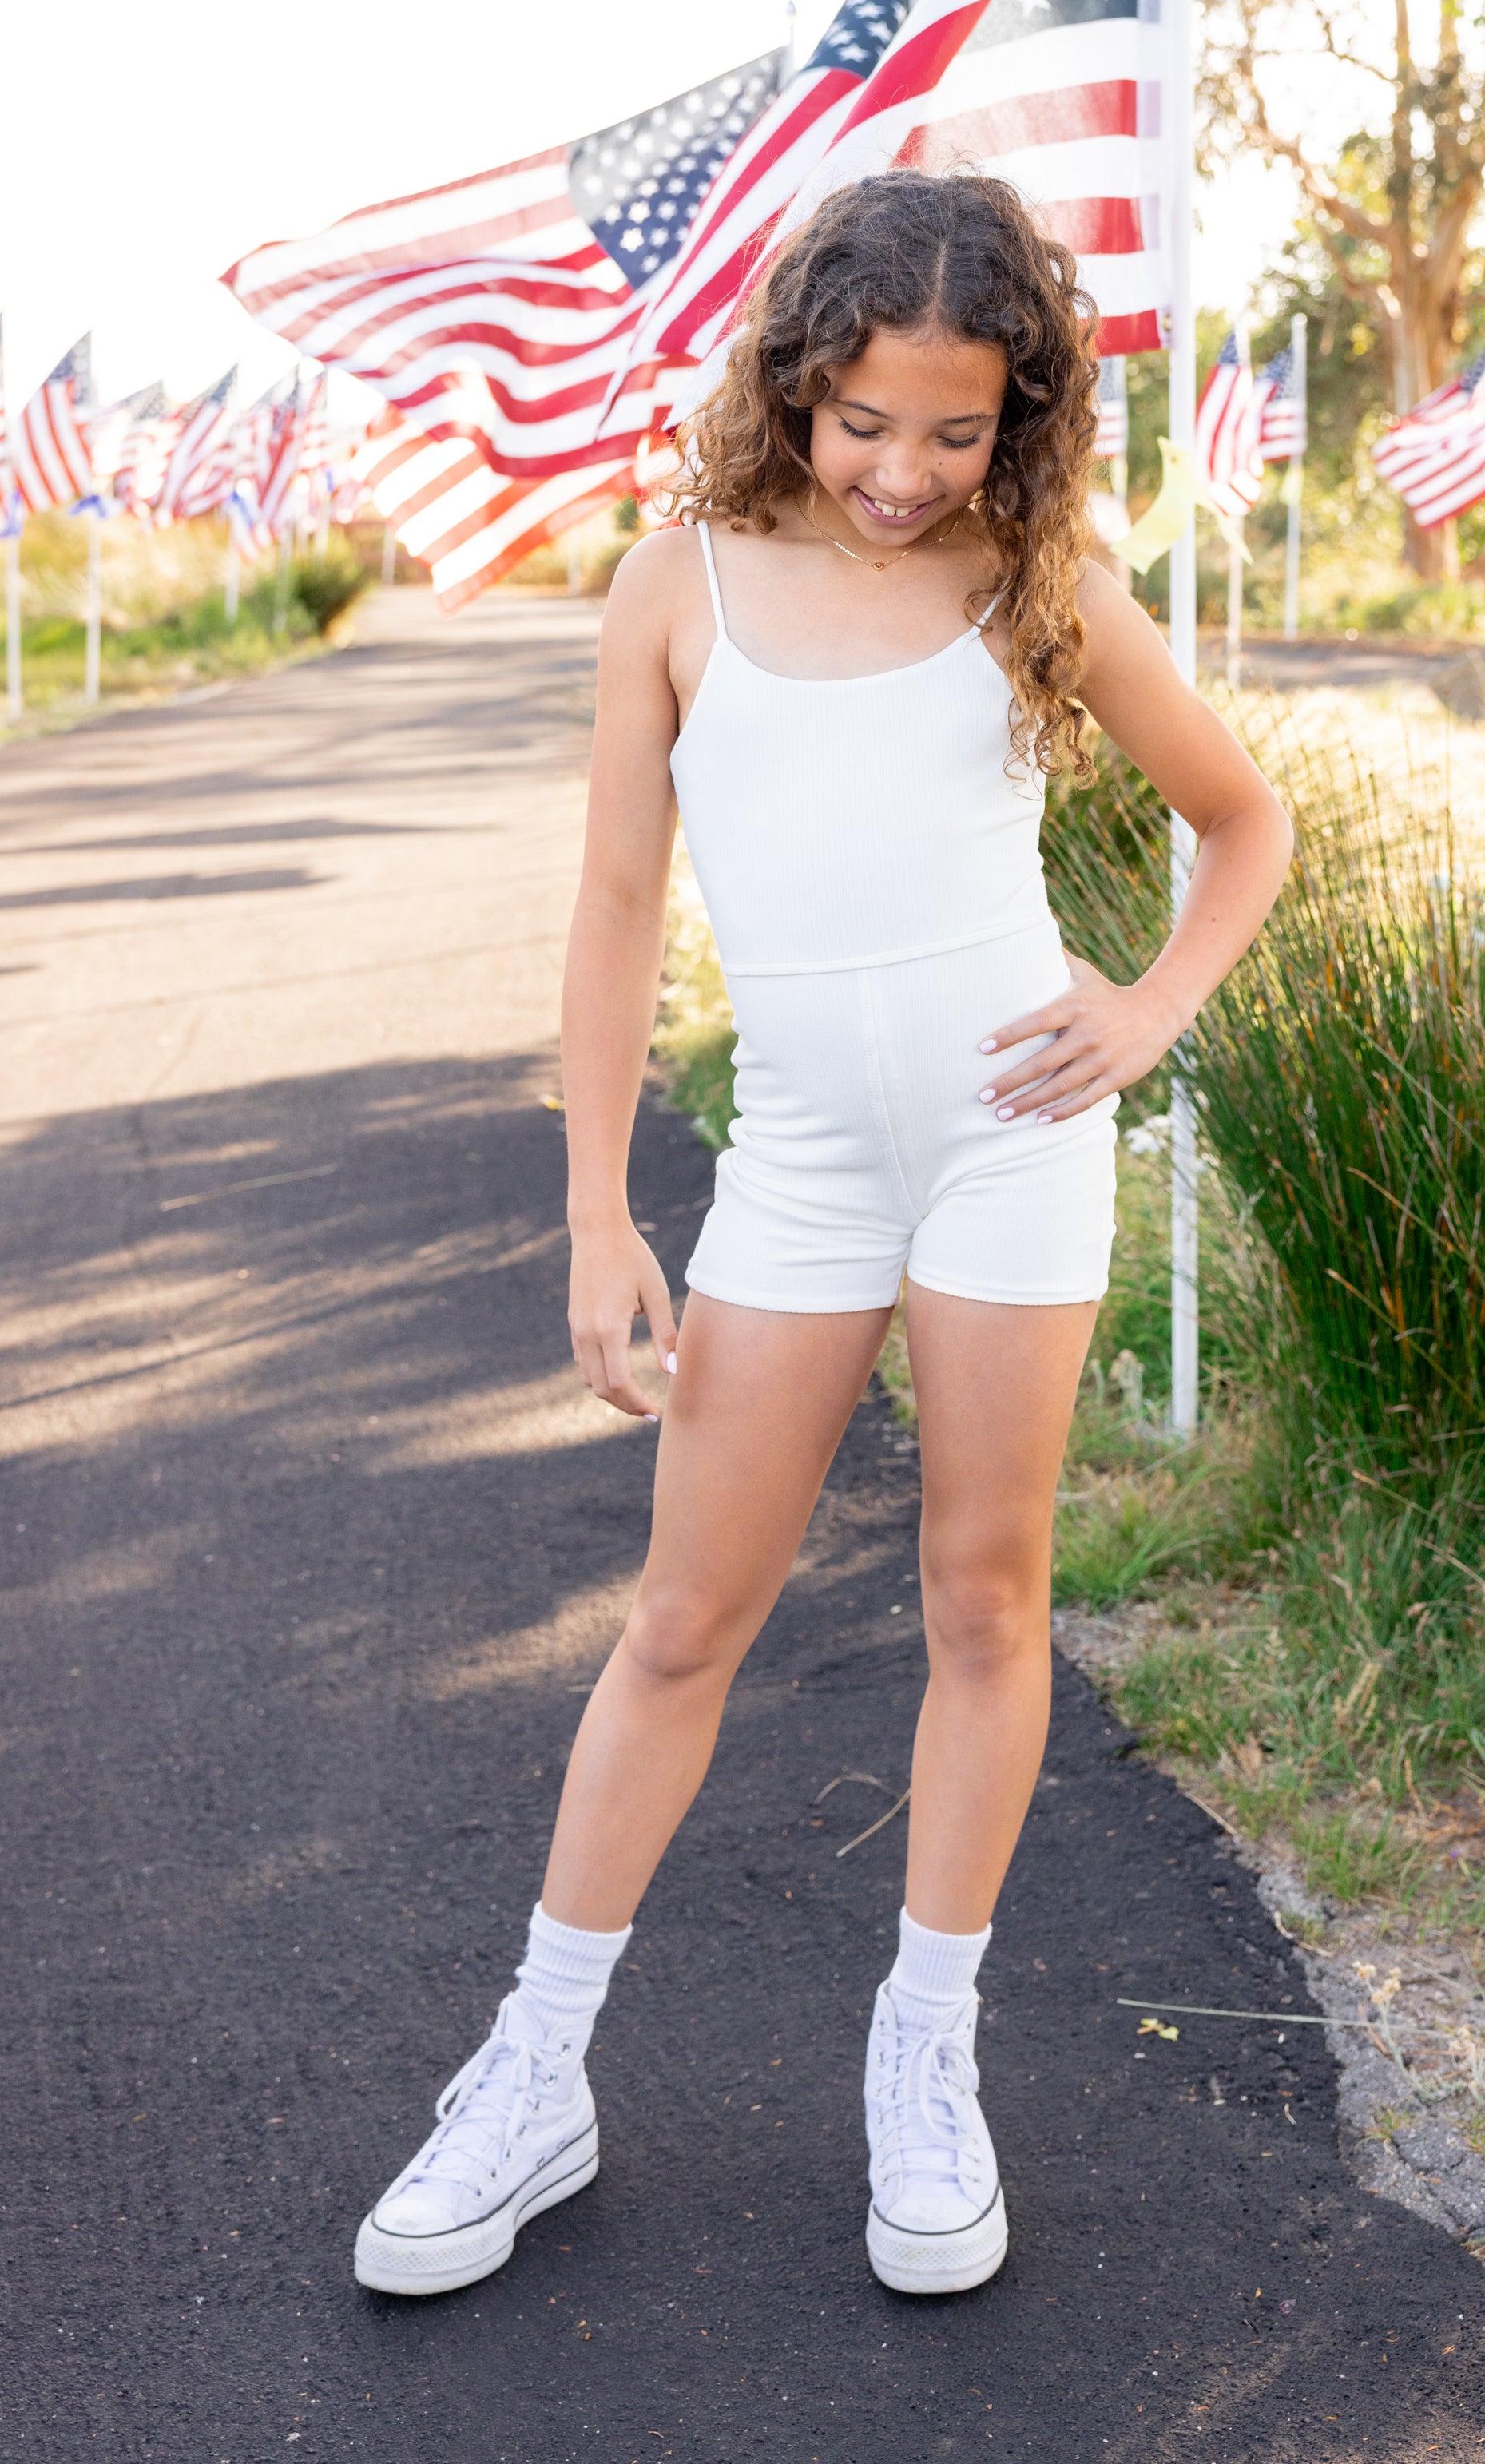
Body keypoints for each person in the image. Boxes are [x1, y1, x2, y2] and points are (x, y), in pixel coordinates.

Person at [355, 170, 1292, 2302]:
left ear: (1018, 421)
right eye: (868, 421)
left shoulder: (1032, 582)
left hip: (1005, 1142)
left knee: (986, 1599)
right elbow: (610, 906)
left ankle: (923, 2052)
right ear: (802, 382)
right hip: (791, 1160)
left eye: (955, 432)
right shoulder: (673, 585)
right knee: (684, 1622)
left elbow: (1245, 820)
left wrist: (1143, 1009)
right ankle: (533, 2068)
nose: (902, 471)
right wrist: (595, 1211)